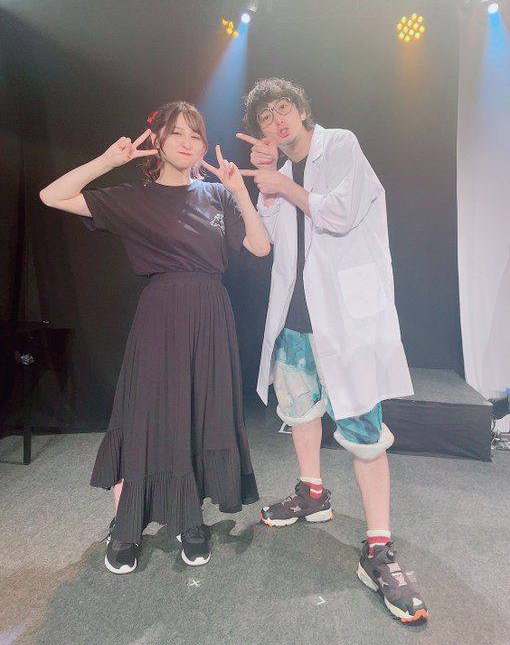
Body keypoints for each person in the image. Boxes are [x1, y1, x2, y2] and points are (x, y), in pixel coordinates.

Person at [40, 101, 270, 574]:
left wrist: (239, 192)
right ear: (158, 141)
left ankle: (191, 519)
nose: (187, 142)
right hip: (161, 316)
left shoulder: (216, 195)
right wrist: (108, 162)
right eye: (177, 133)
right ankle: (126, 524)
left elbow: (260, 246)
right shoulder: (134, 198)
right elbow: (52, 195)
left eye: (195, 134)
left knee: (200, 414)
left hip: (211, 315)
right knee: (148, 415)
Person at [237, 78, 429, 624]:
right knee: (300, 412)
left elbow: (340, 214)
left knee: (364, 429)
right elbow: (266, 241)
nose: (277, 120)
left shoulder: (340, 145)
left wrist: (282, 182)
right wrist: (266, 189)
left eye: (283, 108)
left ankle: (379, 549)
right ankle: (313, 493)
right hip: (296, 318)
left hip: (345, 319)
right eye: (265, 117)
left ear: (301, 110)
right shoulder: (279, 171)